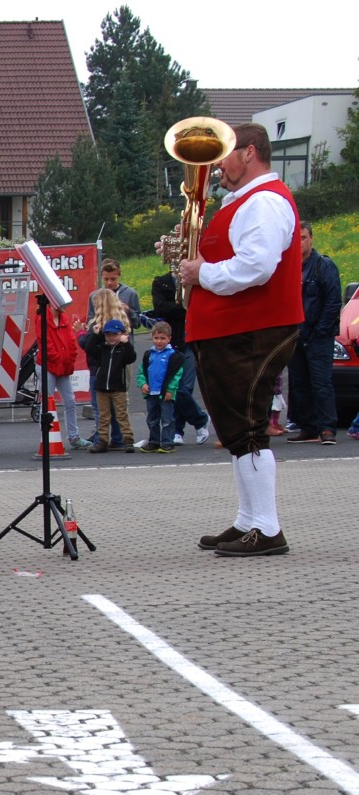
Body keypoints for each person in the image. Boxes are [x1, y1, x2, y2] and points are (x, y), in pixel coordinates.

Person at [176, 122, 303, 556]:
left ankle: (266, 528)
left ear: (249, 152)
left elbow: (257, 267)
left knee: (248, 429)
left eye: (224, 154)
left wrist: (202, 272)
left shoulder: (264, 201)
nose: (217, 166)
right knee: (237, 430)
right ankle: (249, 521)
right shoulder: (245, 202)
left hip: (249, 329)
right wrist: (190, 257)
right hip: (233, 329)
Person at [287, 221, 341, 444]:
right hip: (294, 335)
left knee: (321, 383)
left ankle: (327, 428)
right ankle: (308, 427)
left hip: (318, 336)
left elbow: (333, 301)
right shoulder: (286, 267)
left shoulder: (324, 266)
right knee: (299, 384)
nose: (299, 243)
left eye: (303, 238)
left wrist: (319, 330)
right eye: (295, 239)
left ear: (311, 239)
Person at [148, 271, 210, 445]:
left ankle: (178, 429)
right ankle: (198, 421)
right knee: (176, 388)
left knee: (185, 387)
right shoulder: (161, 282)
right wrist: (184, 307)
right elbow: (160, 307)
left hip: (192, 338)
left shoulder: (196, 279)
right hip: (172, 340)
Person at [80, 288, 131, 448]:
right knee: (118, 409)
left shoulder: (98, 325)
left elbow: (88, 346)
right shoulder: (121, 322)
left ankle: (101, 439)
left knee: (100, 409)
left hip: (99, 371)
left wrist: (80, 333)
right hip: (119, 372)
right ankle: (119, 438)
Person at [84, 318, 137, 454]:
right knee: (103, 416)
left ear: (121, 334)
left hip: (118, 388)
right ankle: (102, 441)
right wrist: (95, 334)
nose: (111, 337)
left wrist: (127, 343)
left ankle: (128, 440)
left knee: (121, 415)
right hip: (102, 388)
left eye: (114, 334)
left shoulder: (123, 349)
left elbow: (132, 357)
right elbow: (89, 348)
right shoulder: (102, 349)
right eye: (108, 335)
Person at [42, 305, 91, 449]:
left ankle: (74, 437)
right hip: (49, 365)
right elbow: (46, 343)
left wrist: (69, 359)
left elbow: (70, 341)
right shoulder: (42, 319)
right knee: (47, 402)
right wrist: (59, 359)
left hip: (62, 364)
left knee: (70, 401)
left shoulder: (63, 319)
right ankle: (47, 438)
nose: (64, 306)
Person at [136, 321, 184, 453]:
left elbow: (176, 375)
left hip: (165, 393)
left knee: (167, 420)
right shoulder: (149, 354)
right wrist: (143, 383)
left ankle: (167, 442)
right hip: (151, 393)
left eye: (163, 338)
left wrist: (170, 389)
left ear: (169, 339)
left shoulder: (173, 355)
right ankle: (154, 442)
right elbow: (142, 371)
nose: (159, 341)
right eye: (156, 338)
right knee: (152, 419)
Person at [100, 258, 148, 330]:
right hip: (102, 336)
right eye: (106, 279)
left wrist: (129, 311)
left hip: (125, 336)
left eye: (113, 279)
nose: (109, 282)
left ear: (119, 275)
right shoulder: (95, 296)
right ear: (101, 277)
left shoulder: (131, 294)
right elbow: (91, 322)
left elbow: (138, 324)